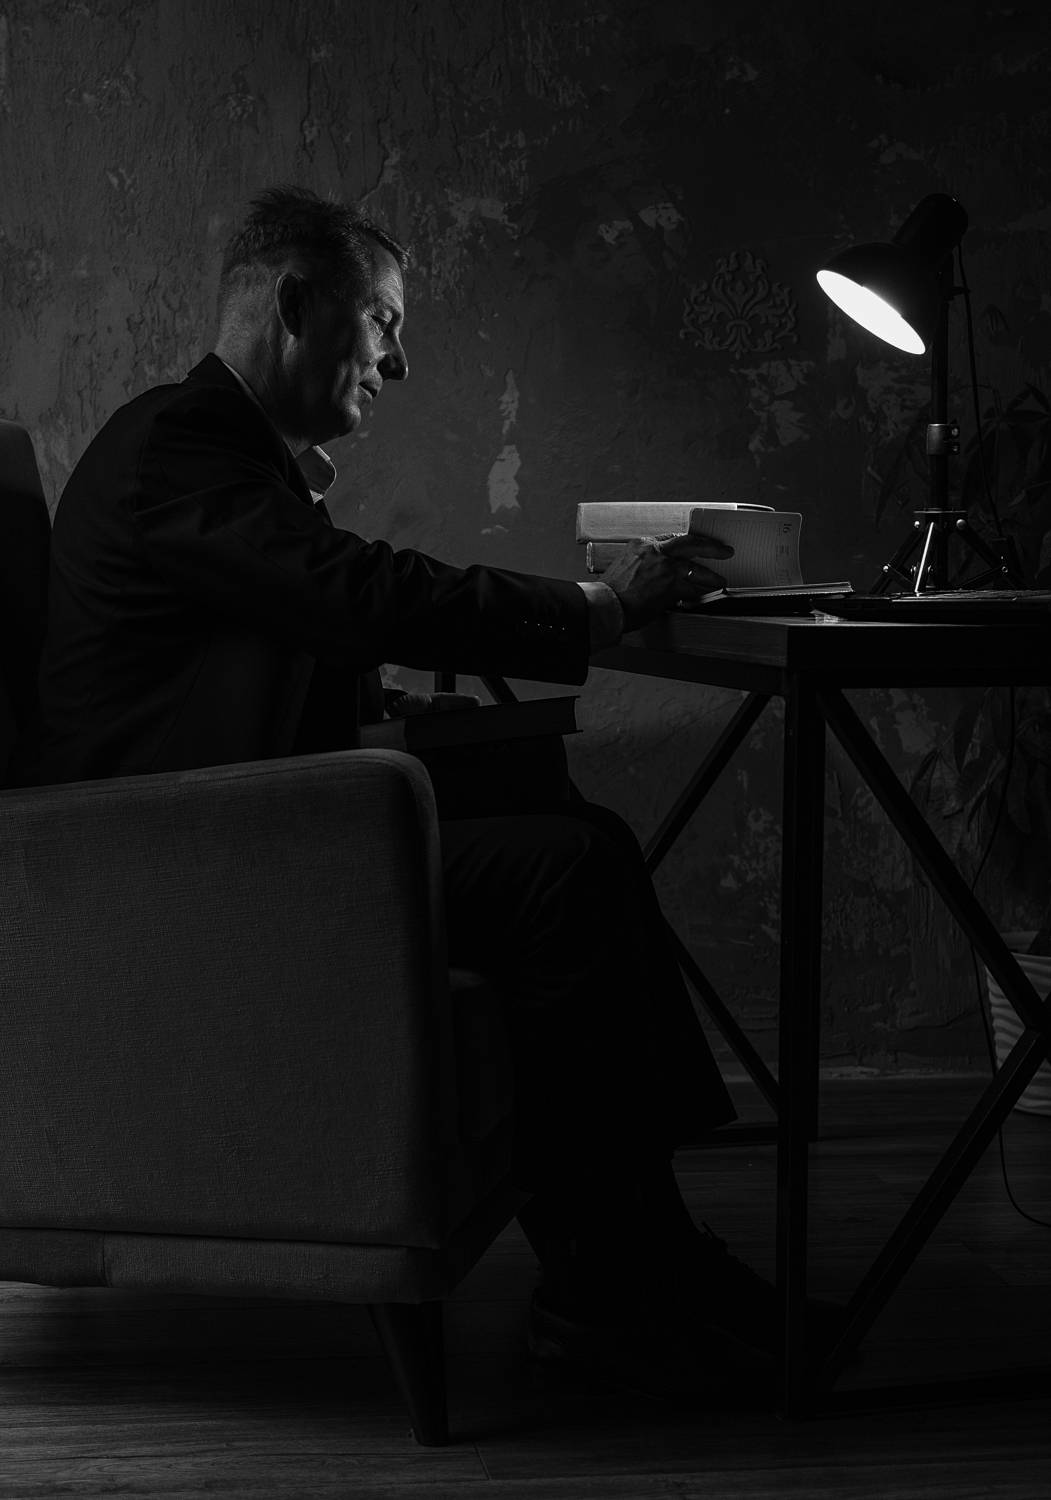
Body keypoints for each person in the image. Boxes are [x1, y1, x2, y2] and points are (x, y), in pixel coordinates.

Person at [35, 186, 834, 1393]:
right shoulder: (177, 445)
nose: (398, 363)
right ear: (295, 305)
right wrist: (597, 608)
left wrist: (401, 713)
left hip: (235, 833)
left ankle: (629, 1257)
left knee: (562, 821)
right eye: (385, 322)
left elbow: (246, 649)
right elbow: (356, 592)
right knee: (566, 872)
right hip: (178, 874)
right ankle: (620, 1277)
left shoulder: (219, 457)